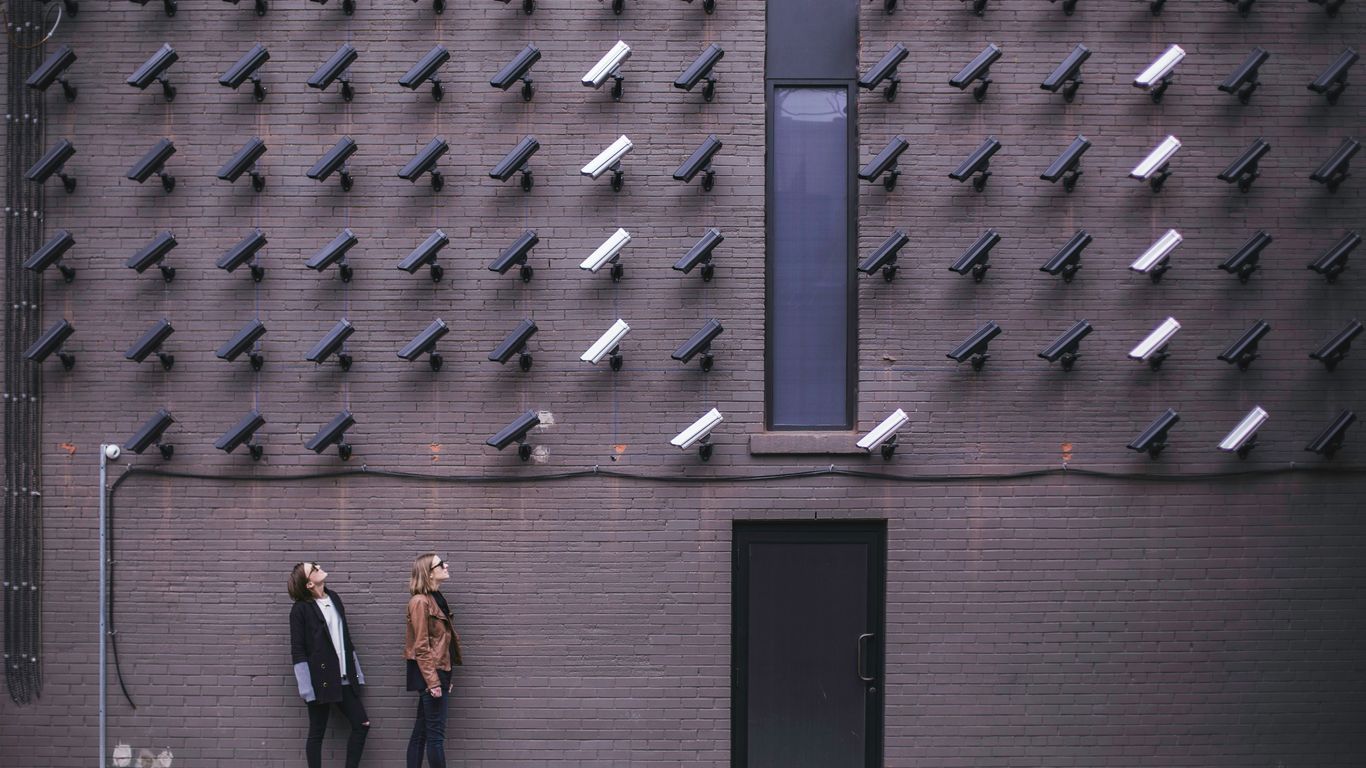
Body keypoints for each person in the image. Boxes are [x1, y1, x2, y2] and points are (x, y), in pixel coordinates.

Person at [288, 562, 370, 768]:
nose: (318, 567)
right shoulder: (300, 610)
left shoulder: (334, 598)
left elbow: (345, 638)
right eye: (313, 569)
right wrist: (307, 689)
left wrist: (356, 672)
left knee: (362, 724)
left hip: (343, 677)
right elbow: (298, 650)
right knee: (317, 732)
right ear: (308, 584)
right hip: (319, 681)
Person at [404, 553, 462, 768]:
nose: (446, 565)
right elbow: (421, 645)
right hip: (430, 674)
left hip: (438, 671)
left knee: (421, 732)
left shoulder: (437, 598)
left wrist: (447, 674)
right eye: (440, 564)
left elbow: (442, 644)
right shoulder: (419, 602)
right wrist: (434, 681)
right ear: (429, 573)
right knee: (435, 737)